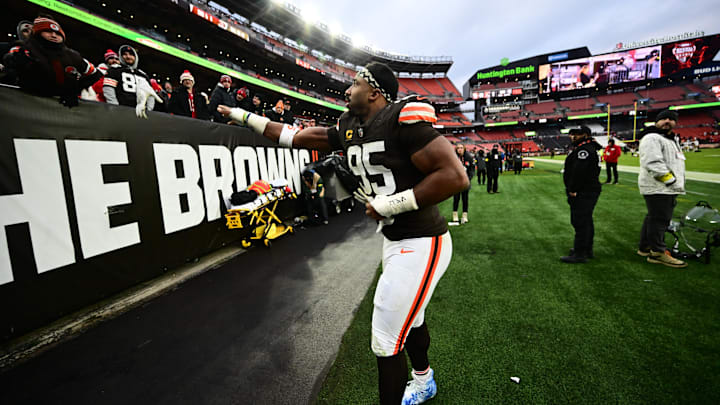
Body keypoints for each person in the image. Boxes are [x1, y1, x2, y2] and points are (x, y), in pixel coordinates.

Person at [217, 61, 468, 405]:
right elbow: (295, 136)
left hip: (424, 241)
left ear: (375, 92)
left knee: (385, 338)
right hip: (395, 241)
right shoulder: (350, 125)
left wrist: (389, 205)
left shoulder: (401, 119)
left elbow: (455, 177)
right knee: (411, 320)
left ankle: (421, 383)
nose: (347, 91)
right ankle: (424, 381)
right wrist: (245, 117)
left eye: (355, 84)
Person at [3, 15, 101, 108]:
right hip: (27, 106)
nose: (54, 35)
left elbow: (95, 74)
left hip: (62, 111)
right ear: (37, 33)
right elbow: (11, 74)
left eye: (58, 33)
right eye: (48, 31)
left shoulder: (73, 56)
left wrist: (75, 90)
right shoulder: (24, 50)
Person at [637, 110, 688, 268]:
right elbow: (653, 163)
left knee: (653, 217)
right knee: (660, 220)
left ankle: (645, 246)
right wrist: (671, 181)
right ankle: (657, 252)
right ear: (657, 121)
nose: (667, 121)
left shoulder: (670, 139)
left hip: (663, 187)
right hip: (659, 187)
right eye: (664, 118)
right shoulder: (652, 137)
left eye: (671, 119)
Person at [561, 126, 602, 263]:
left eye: (577, 134)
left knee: (580, 222)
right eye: (571, 134)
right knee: (586, 221)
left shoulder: (583, 150)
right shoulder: (588, 148)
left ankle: (580, 253)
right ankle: (586, 249)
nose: (573, 137)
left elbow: (579, 172)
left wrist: (573, 189)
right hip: (588, 190)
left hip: (583, 191)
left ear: (585, 135)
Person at [103, 44, 160, 118]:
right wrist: (115, 107)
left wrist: (148, 110)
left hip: (140, 113)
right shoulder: (114, 70)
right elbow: (108, 89)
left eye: (131, 54)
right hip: (122, 112)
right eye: (125, 54)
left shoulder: (143, 75)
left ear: (135, 57)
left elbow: (150, 95)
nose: (128, 56)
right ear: (120, 56)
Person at [451, 144, 474, 224]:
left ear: (464, 149)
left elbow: (472, 169)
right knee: (456, 199)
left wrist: (469, 178)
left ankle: (464, 216)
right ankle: (455, 215)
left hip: (465, 181)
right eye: (458, 148)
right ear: (456, 149)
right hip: (456, 182)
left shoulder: (469, 157)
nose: (460, 149)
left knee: (465, 199)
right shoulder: (453, 158)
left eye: (461, 148)